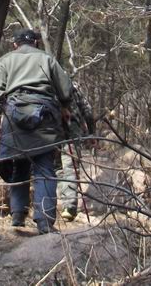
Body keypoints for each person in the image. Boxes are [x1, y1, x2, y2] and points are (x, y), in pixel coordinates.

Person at [0, 28, 73, 234]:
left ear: (15, 44)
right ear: (35, 43)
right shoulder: (47, 58)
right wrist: (64, 107)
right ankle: (44, 222)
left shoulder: (6, 60)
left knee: (20, 164)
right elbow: (65, 89)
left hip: (14, 115)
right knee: (44, 168)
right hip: (45, 116)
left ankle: (17, 216)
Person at [57, 82, 96, 221]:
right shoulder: (70, 84)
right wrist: (91, 133)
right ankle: (69, 206)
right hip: (71, 129)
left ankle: (52, 204)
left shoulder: (42, 80)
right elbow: (88, 110)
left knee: (57, 167)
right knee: (70, 166)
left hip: (50, 129)